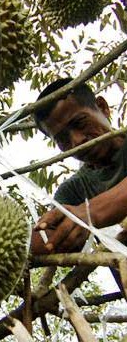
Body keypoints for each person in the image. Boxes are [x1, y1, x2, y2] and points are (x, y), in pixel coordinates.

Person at [30, 78, 127, 255]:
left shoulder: (81, 209)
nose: (76, 141)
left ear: (102, 107)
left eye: (80, 123)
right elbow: (53, 236)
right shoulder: (73, 191)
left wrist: (89, 213)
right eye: (63, 140)